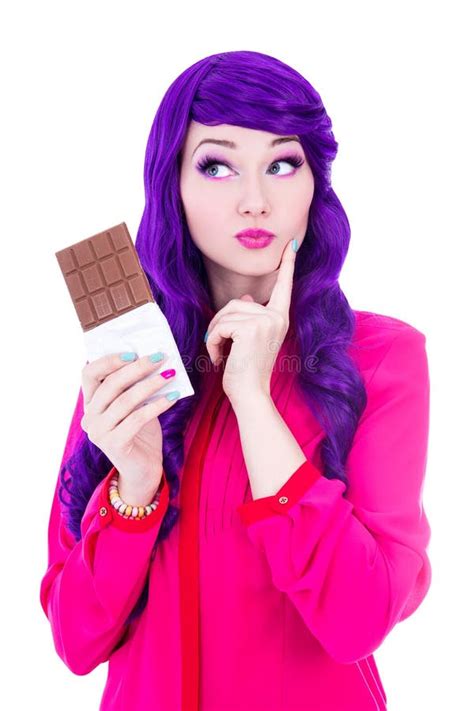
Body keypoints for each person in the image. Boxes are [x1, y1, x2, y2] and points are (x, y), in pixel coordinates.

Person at [39, 50, 431, 711]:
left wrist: (253, 399)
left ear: (316, 184)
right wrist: (135, 489)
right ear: (174, 185)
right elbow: (76, 640)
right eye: (217, 165)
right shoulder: (131, 366)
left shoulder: (382, 357)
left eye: (283, 163)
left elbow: (358, 620)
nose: (256, 200)